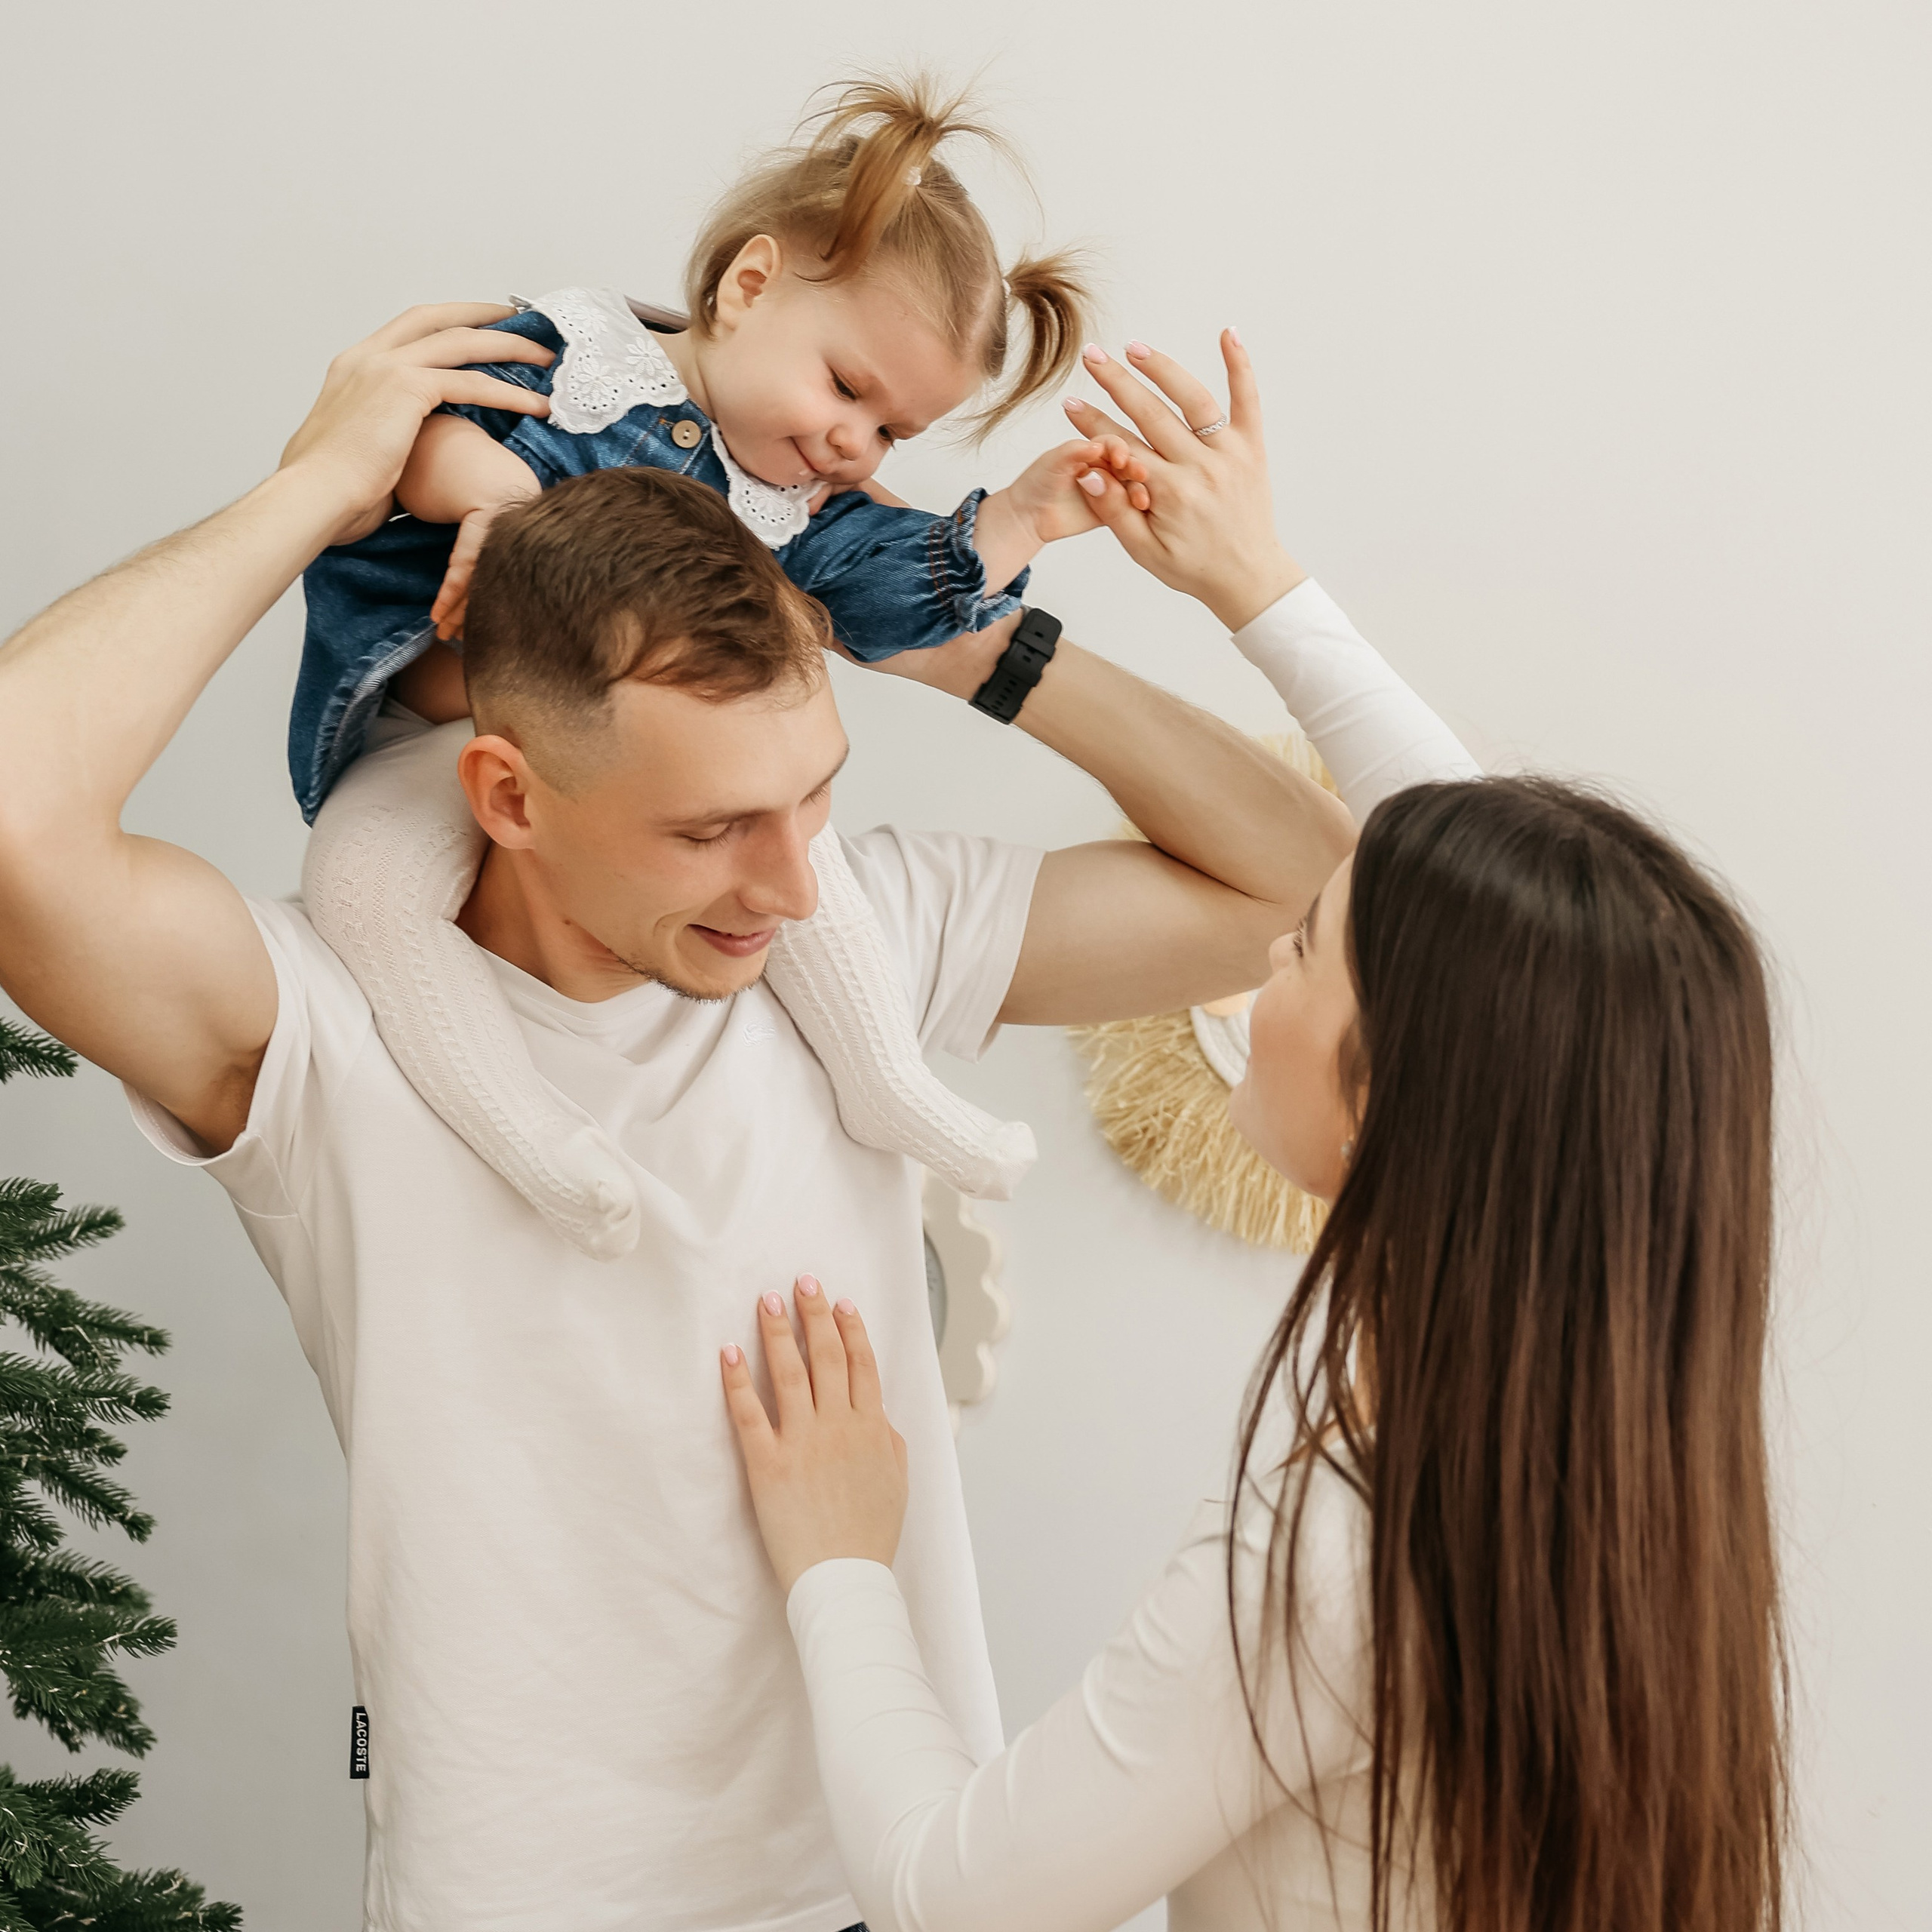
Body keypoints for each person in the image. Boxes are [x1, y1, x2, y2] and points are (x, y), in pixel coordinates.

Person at [0, 310, 1354, 1930]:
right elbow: (17, 831)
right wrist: (315, 487)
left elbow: (1307, 883)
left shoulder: (853, 938)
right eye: (713, 826)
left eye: (816, 794)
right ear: (506, 793)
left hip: (898, 1874)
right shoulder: (319, 1034)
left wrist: (966, 639)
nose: (789, 882)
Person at [721, 341, 1791, 1932]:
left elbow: (952, 1891)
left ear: (1396, 1103)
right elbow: (1524, 960)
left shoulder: (1333, 1560)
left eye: (1298, 948)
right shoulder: (1618, 1478)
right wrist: (1251, 592)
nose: (1259, 965)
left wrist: (835, 1559)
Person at [293, 73, 1148, 1248]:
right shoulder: (580, 355)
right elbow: (426, 431)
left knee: (806, 863)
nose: (855, 443)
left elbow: (898, 610)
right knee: (365, 896)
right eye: (849, 387)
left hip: (647, 783)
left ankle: (890, 1086)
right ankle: (533, 1142)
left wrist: (1021, 523)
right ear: (748, 287)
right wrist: (498, 502)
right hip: (434, 733)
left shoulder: (805, 497)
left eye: (895, 430)